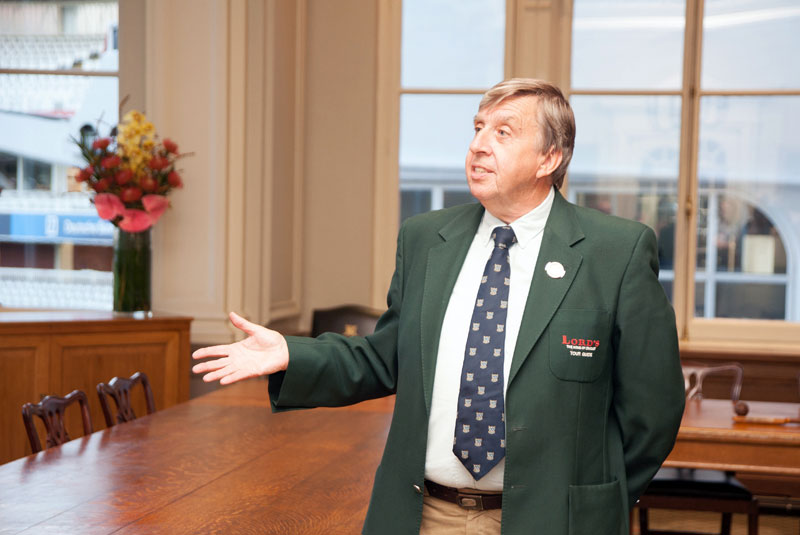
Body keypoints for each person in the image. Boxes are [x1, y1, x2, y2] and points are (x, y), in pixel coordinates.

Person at [193, 78, 685, 535]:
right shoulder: (427, 239)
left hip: (553, 521)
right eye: (477, 128)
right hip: (425, 515)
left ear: (549, 158)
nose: (478, 144)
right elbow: (383, 358)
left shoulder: (614, 252)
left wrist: (600, 495)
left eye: (503, 132)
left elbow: (653, 409)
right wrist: (290, 353)